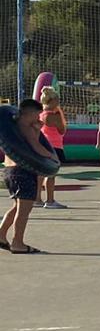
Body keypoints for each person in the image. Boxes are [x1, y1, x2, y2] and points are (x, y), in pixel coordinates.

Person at [1, 98, 55, 253]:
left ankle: (1, 234)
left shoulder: (14, 125)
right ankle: (18, 243)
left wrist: (37, 130)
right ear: (29, 114)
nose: (38, 119)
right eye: (37, 115)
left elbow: (28, 143)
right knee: (24, 210)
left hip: (10, 171)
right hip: (23, 171)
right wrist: (52, 157)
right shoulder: (26, 127)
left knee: (17, 206)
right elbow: (35, 147)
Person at [38, 86, 67, 209]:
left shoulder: (41, 114)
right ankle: (50, 200)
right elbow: (62, 130)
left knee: (41, 174)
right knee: (51, 174)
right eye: (57, 100)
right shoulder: (53, 115)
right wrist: (60, 114)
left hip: (44, 144)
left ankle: (37, 198)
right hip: (54, 145)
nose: (58, 102)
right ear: (52, 101)